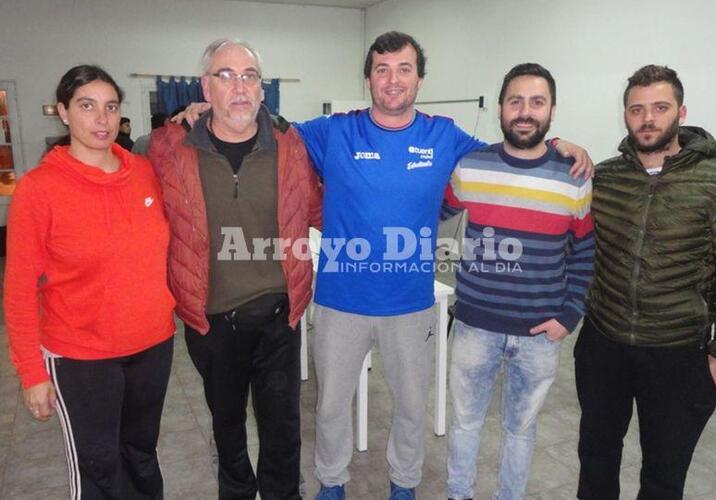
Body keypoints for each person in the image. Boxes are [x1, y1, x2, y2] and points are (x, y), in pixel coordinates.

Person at [176, 32, 592, 500]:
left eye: (404, 69)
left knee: (412, 407)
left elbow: (512, 152)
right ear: (369, 78)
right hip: (340, 302)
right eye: (382, 69)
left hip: (410, 305)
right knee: (331, 406)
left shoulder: (445, 136)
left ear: (419, 78)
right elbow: (261, 124)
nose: (393, 80)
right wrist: (202, 114)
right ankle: (332, 482)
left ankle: (404, 482)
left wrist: (558, 142)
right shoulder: (331, 131)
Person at [147, 39, 322, 500]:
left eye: (250, 76)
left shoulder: (291, 145)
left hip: (279, 317)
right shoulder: (170, 147)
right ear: (206, 87)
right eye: (226, 75)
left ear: (262, 90)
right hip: (213, 321)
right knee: (227, 425)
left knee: (283, 427)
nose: (239, 87)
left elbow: (321, 207)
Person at [4, 64, 176, 499]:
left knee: (141, 454)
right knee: (99, 466)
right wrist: (31, 373)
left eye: (110, 107)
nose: (101, 119)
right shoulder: (38, 189)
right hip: (82, 357)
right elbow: (20, 288)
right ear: (63, 112)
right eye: (87, 106)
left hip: (153, 346)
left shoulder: (142, 172)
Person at [576, 64, 716, 500]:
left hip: (676, 353)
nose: (647, 119)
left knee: (665, 473)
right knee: (596, 457)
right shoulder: (606, 178)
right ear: (625, 115)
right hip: (603, 344)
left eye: (660, 108)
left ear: (680, 112)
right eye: (637, 109)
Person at [443, 63, 594, 500]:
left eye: (536, 101)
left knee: (520, 431)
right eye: (515, 101)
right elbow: (430, 210)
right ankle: (459, 494)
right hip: (475, 326)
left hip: (540, 334)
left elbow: (584, 250)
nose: (525, 111)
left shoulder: (574, 177)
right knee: (465, 423)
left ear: (551, 110)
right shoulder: (471, 166)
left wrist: (569, 315)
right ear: (500, 109)